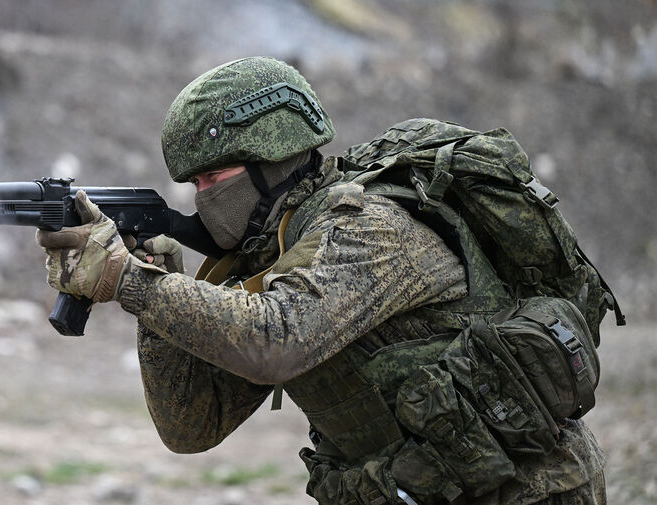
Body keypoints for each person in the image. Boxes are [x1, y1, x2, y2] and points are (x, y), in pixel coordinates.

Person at [35, 57, 606, 505]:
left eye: (215, 176)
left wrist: (128, 280)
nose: (204, 196)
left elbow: (274, 341)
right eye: (196, 183)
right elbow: (191, 425)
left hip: (527, 491)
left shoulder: (370, 227)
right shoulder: (277, 254)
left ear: (273, 160)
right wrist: (152, 289)